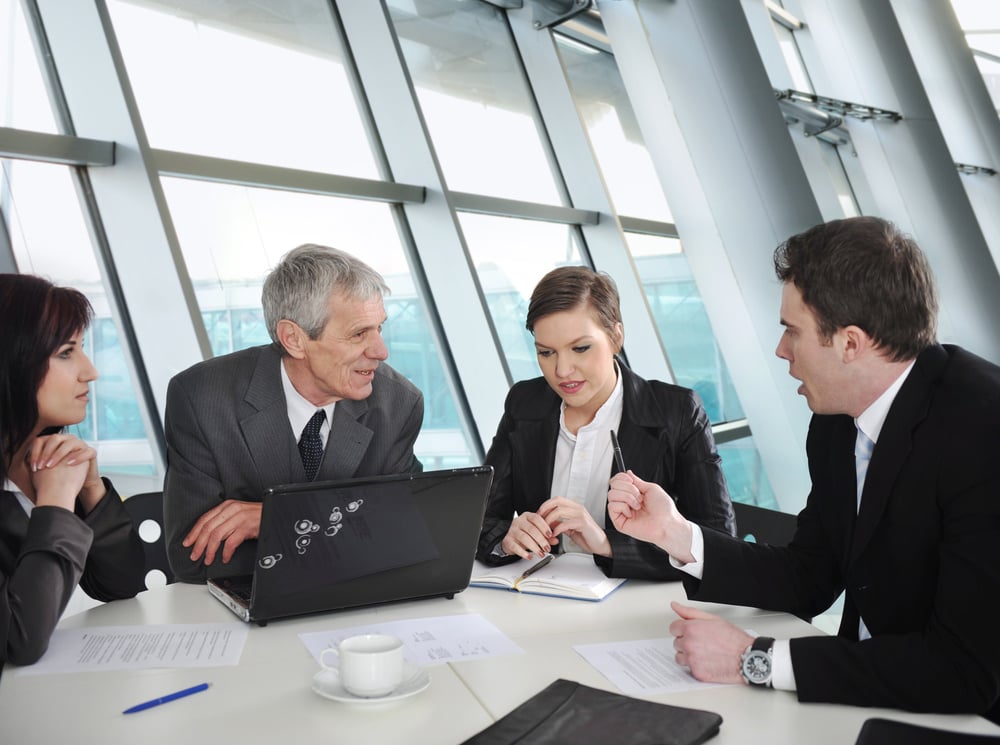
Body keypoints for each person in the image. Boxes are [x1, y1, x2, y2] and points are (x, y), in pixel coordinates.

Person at [607, 216, 1000, 721]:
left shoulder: (985, 432)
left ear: (850, 343)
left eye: (793, 331)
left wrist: (756, 660)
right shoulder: (836, 423)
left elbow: (961, 671)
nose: (781, 350)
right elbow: (810, 576)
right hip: (867, 701)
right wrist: (678, 534)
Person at [163, 244, 424, 583]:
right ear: (294, 339)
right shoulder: (202, 398)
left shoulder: (399, 404)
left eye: (380, 328)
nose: (381, 351)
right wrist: (346, 534)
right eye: (359, 334)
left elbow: (404, 533)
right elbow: (195, 559)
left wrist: (277, 519)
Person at [477, 265, 735, 579]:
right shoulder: (524, 403)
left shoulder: (677, 412)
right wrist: (506, 535)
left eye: (580, 348)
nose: (562, 370)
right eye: (546, 352)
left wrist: (607, 544)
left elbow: (718, 544)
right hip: (537, 599)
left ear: (616, 337)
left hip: (637, 609)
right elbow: (478, 518)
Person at [0, 274, 145, 668]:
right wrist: (57, 502)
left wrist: (92, 491)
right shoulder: (49, 478)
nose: (90, 371)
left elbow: (121, 585)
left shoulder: (46, 457)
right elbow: (19, 641)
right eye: (66, 352)